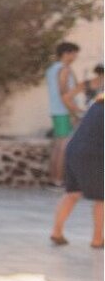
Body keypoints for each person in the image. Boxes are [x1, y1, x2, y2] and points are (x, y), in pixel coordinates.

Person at [51, 97, 103, 248]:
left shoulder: (97, 104)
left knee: (72, 192)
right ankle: (97, 239)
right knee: (102, 198)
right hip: (94, 154)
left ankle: (57, 232)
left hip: (74, 150)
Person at [49, 41, 82, 182]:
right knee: (63, 146)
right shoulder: (64, 69)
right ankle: (58, 179)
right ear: (66, 53)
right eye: (74, 54)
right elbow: (65, 93)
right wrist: (75, 112)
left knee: (58, 146)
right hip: (63, 111)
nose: (75, 57)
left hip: (56, 111)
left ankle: (53, 179)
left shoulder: (52, 69)